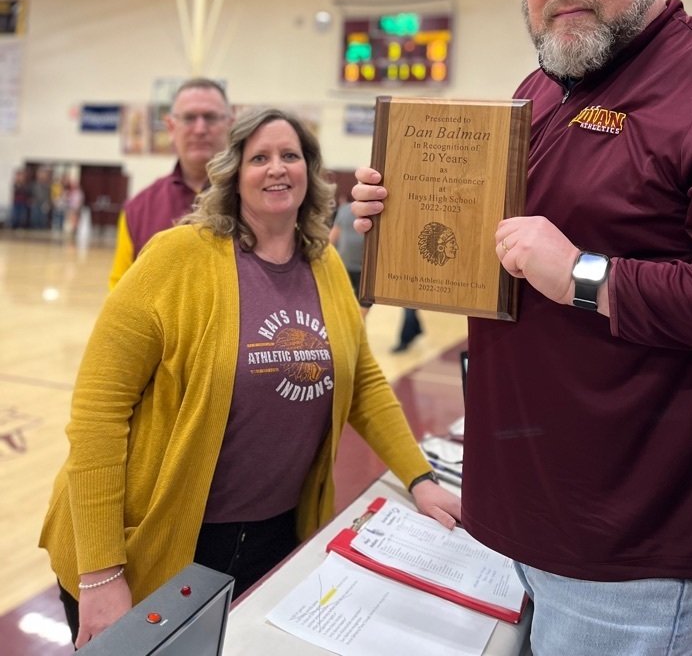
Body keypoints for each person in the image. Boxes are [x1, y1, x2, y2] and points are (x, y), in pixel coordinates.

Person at [352, 0, 692, 656]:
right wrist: (404, 215)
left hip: (644, 550)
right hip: (534, 518)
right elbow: (501, 251)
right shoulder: (540, 88)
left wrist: (584, 276)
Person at [40, 107, 460, 649]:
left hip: (272, 538)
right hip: (145, 542)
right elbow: (98, 416)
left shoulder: (325, 263)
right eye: (259, 157)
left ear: (311, 171)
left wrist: (420, 478)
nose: (276, 168)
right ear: (234, 173)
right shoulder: (175, 257)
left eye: (290, 155)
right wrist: (101, 571)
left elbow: (364, 384)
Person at [108, 77, 233, 288]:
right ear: (171, 126)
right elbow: (120, 292)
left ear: (230, 124)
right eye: (189, 118)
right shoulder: (138, 209)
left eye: (210, 117)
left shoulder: (257, 201)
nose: (200, 129)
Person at [329, 193, 370, 319]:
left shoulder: (375, 212)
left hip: (364, 270)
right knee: (344, 306)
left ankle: (357, 332)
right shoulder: (345, 209)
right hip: (345, 266)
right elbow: (333, 237)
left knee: (362, 307)